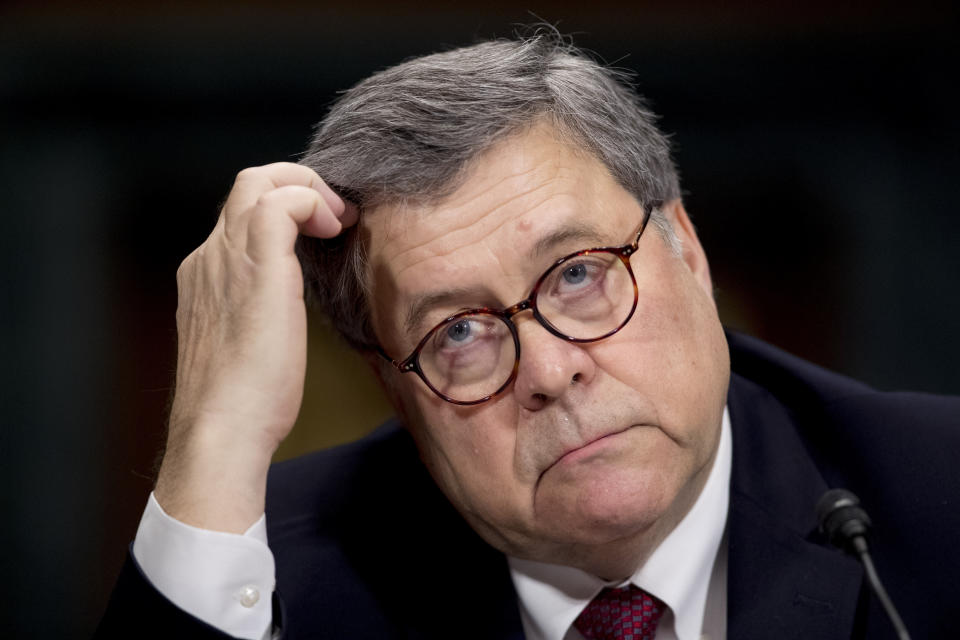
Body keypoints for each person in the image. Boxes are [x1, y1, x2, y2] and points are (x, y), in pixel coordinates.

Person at [96, 32, 960, 640]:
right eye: (460, 331)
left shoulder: (938, 491)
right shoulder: (268, 575)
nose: (548, 371)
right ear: (394, 386)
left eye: (578, 273)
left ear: (686, 251)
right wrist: (216, 436)